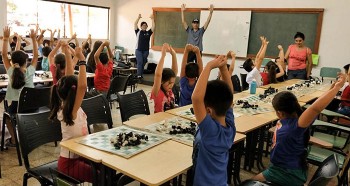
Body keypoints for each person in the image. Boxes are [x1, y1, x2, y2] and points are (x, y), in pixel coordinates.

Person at [253, 73, 346, 186]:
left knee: (249, 183)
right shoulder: (294, 121)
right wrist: (332, 88)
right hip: (282, 168)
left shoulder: (297, 126)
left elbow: (315, 108)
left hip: (286, 173)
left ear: (279, 112)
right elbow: (315, 107)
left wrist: (337, 88)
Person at [49, 43, 94, 183]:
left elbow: (68, 77)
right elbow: (82, 86)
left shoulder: (67, 104)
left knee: (104, 167)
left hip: (80, 155)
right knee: (101, 175)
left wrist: (68, 53)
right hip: (69, 163)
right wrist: (81, 60)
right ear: (75, 93)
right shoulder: (70, 110)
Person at [191, 55, 235, 186]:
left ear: (209, 111)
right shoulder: (230, 125)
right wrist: (223, 69)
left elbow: (196, 99)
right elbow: (230, 95)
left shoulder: (211, 131)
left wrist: (209, 66)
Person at [1, 26, 38, 147]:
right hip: (32, 107)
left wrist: (6, 39)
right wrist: (33, 39)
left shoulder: (11, 71)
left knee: (6, 117)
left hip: (15, 109)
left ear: (12, 61)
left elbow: (3, 55)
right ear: (26, 62)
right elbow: (36, 55)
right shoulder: (30, 71)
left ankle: (13, 140)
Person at [151, 43, 177, 113]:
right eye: (169, 83)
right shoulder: (157, 91)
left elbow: (174, 73)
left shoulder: (169, 91)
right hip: (158, 120)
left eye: (172, 83)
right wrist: (163, 56)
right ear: (162, 81)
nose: (171, 85)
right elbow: (158, 75)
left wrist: (174, 55)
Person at [134, 14, 155, 78]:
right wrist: (138, 18)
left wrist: (152, 19)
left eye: (146, 25)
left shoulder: (148, 32)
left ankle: (141, 74)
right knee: (140, 62)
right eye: (143, 25)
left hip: (146, 51)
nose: (144, 26)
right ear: (141, 26)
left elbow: (153, 27)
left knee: (143, 62)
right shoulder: (138, 32)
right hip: (138, 50)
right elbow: (135, 24)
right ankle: (139, 75)